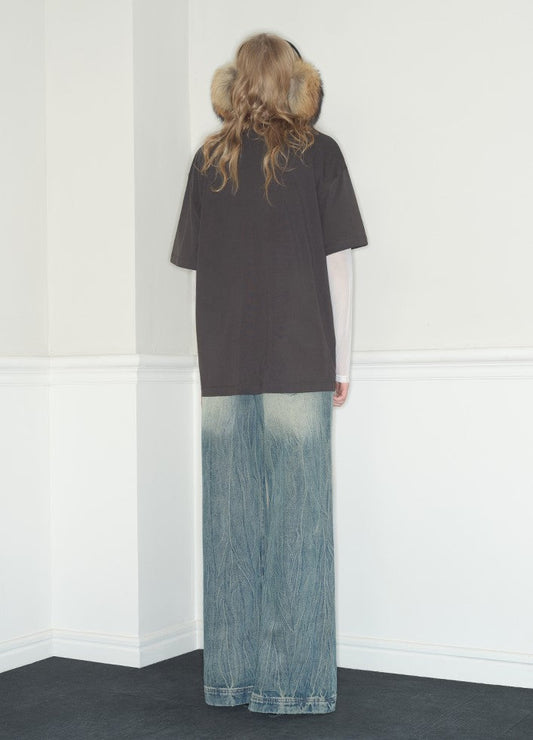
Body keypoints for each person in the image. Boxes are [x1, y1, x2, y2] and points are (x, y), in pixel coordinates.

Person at [170, 32, 368, 715]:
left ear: (236, 83)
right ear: (293, 81)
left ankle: (230, 679)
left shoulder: (208, 160)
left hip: (223, 364)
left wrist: (210, 356)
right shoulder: (320, 154)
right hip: (299, 356)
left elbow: (199, 273)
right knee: (299, 523)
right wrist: (341, 362)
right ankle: (291, 686)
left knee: (230, 521)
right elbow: (338, 270)